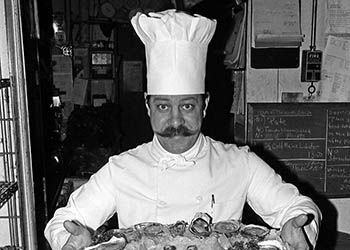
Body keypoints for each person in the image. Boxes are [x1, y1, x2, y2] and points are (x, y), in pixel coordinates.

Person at [44, 9, 321, 250]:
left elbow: (299, 209)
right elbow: (62, 223)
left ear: (205, 105)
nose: (175, 121)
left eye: (187, 106)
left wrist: (299, 230)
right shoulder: (121, 170)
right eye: (164, 107)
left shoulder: (240, 163)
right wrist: (70, 242)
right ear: (147, 105)